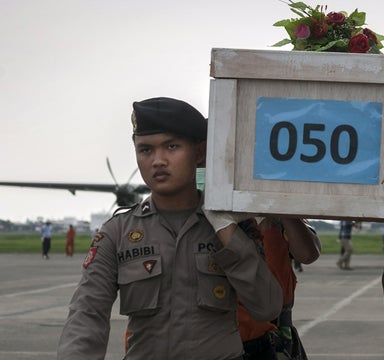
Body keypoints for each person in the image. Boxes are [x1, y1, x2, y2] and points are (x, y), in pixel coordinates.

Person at [57, 97, 283, 360]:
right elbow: (87, 313)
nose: (158, 160)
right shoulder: (116, 233)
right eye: (145, 150)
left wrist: (227, 230)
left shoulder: (232, 228)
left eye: (172, 147)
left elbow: (268, 307)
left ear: (199, 153)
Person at [240, 217, 321, 359]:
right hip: (228, 335)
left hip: (276, 335)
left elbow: (308, 254)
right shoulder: (218, 213)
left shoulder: (279, 216)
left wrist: (284, 214)